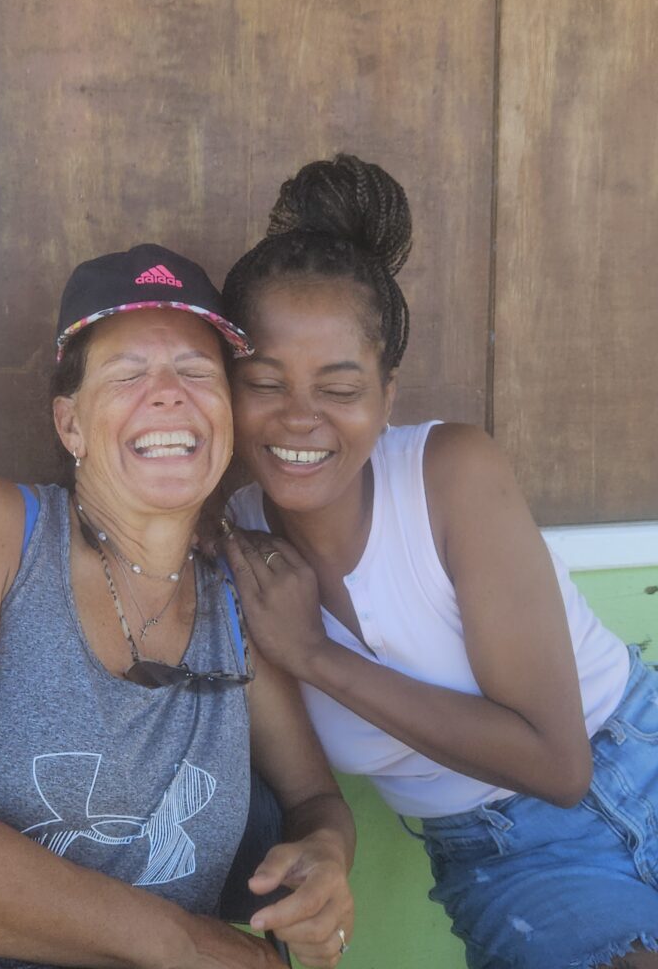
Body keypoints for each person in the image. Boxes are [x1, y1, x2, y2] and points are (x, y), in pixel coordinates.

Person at [221, 154, 658, 969]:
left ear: (387, 396)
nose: (300, 418)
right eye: (264, 382)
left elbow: (558, 763)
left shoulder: (448, 473)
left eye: (339, 389)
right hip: (506, 856)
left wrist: (313, 654)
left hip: (640, 746)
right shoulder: (233, 554)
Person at [0, 243, 355, 969]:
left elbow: (315, 801)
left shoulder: (238, 593)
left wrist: (324, 858)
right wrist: (183, 945)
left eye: (197, 372)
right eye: (127, 373)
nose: (168, 394)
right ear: (70, 424)